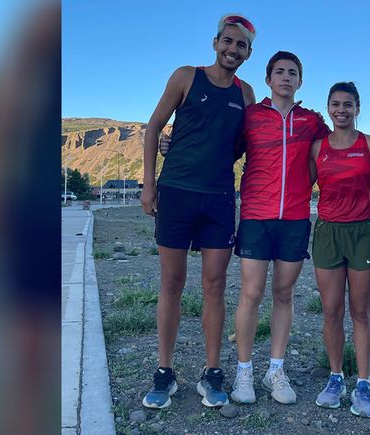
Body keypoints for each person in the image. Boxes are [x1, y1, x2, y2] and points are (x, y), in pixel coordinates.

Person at [139, 13, 257, 410]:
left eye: (241, 45)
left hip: (220, 199)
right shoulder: (186, 77)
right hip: (176, 193)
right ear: (215, 42)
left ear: (248, 53)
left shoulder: (246, 94)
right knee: (171, 283)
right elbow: (154, 126)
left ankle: (211, 373)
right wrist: (149, 184)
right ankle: (165, 372)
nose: (232, 49)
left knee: (215, 286)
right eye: (228, 41)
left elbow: (242, 146)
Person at [229, 51, 331, 405]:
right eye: (279, 72)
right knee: (251, 293)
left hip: (295, 218)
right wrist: (171, 145)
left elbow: (337, 149)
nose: (286, 77)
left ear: (300, 81)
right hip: (256, 216)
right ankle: (244, 372)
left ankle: (275, 369)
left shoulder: (311, 121)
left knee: (283, 294)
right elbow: (221, 149)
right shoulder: (251, 117)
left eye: (293, 72)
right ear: (268, 79)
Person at [309, 82, 370, 417]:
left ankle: (363, 382)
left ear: (357, 107)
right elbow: (309, 183)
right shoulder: (317, 148)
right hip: (328, 231)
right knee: (331, 311)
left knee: (360, 312)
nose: (341, 110)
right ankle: (335, 378)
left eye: (348, 104)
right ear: (328, 108)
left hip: (363, 232)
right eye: (335, 104)